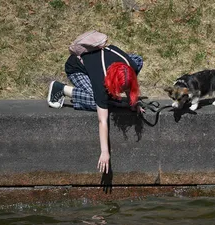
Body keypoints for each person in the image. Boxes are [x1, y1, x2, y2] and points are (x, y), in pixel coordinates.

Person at [47, 44, 144, 174]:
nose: (122, 92)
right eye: (119, 89)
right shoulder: (101, 82)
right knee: (95, 101)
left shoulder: (130, 66)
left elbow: (129, 86)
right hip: (78, 68)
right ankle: (60, 89)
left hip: (98, 63)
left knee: (138, 60)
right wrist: (105, 152)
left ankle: (106, 97)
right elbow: (102, 121)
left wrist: (134, 102)